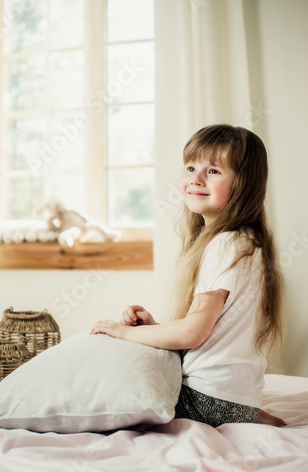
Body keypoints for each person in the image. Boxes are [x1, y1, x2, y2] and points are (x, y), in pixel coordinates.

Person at [91, 124, 285, 428]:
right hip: (236, 399)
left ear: (244, 184)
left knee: (104, 379)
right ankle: (246, 415)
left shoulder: (225, 244)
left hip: (206, 400)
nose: (195, 178)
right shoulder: (249, 242)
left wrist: (125, 332)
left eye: (214, 171)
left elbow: (194, 333)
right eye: (191, 167)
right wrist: (155, 329)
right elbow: (212, 336)